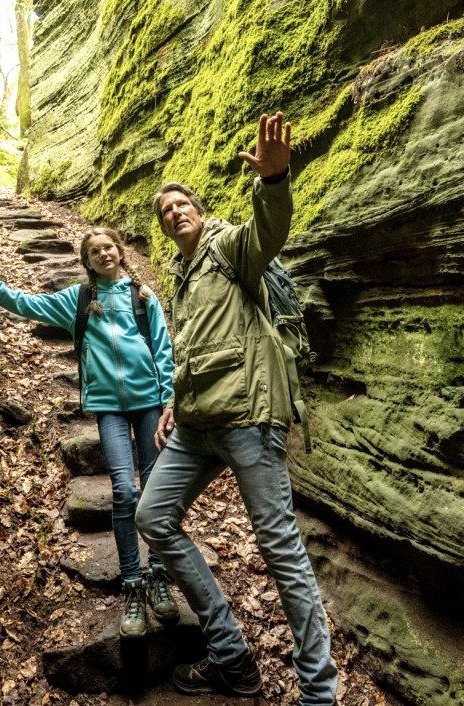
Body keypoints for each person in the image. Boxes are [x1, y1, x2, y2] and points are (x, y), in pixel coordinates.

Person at [136, 111, 337, 704]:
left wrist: (274, 182)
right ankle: (230, 653)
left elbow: (268, 230)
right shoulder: (181, 275)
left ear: (197, 210)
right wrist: (174, 398)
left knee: (280, 550)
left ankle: (319, 693)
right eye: (164, 210)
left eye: (181, 203)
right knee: (153, 518)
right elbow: (194, 350)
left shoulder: (228, 246)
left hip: (250, 421)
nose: (174, 211)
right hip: (197, 427)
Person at [0, 227, 180, 638]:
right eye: (95, 251)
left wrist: (170, 398)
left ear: (120, 252)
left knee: (154, 487)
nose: (104, 254)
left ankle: (159, 577)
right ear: (87, 262)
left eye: (109, 247)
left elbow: (163, 348)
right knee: (124, 489)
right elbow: (30, 304)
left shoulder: (143, 297)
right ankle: (133, 585)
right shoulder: (79, 299)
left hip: (150, 404)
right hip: (108, 407)